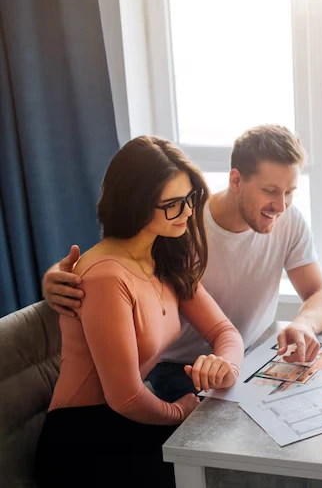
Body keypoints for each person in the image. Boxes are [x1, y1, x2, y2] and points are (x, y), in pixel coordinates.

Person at [42, 124, 322, 403]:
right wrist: (59, 275)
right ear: (236, 180)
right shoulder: (182, 222)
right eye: (270, 191)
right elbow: (120, 259)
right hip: (180, 368)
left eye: (290, 191)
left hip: (246, 356)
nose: (281, 205)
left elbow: (320, 295)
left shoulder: (289, 220)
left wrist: (304, 324)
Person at [35, 136, 244, 488]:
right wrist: (181, 412)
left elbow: (225, 332)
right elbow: (126, 397)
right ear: (135, 204)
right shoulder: (105, 277)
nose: (190, 213)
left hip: (131, 419)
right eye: (174, 204)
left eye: (190, 199)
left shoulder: (164, 255)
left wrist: (226, 365)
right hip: (83, 441)